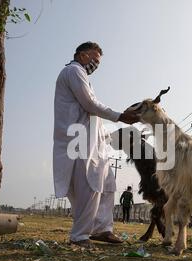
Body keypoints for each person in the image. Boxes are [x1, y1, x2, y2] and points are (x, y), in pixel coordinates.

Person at [53, 42, 140, 248]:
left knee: (108, 184)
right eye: (94, 59)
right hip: (79, 140)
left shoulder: (81, 75)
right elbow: (90, 104)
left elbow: (92, 115)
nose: (96, 64)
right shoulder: (73, 71)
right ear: (82, 55)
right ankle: (80, 236)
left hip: (93, 141)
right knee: (90, 186)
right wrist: (120, 116)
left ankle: (102, 229)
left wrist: (109, 136)